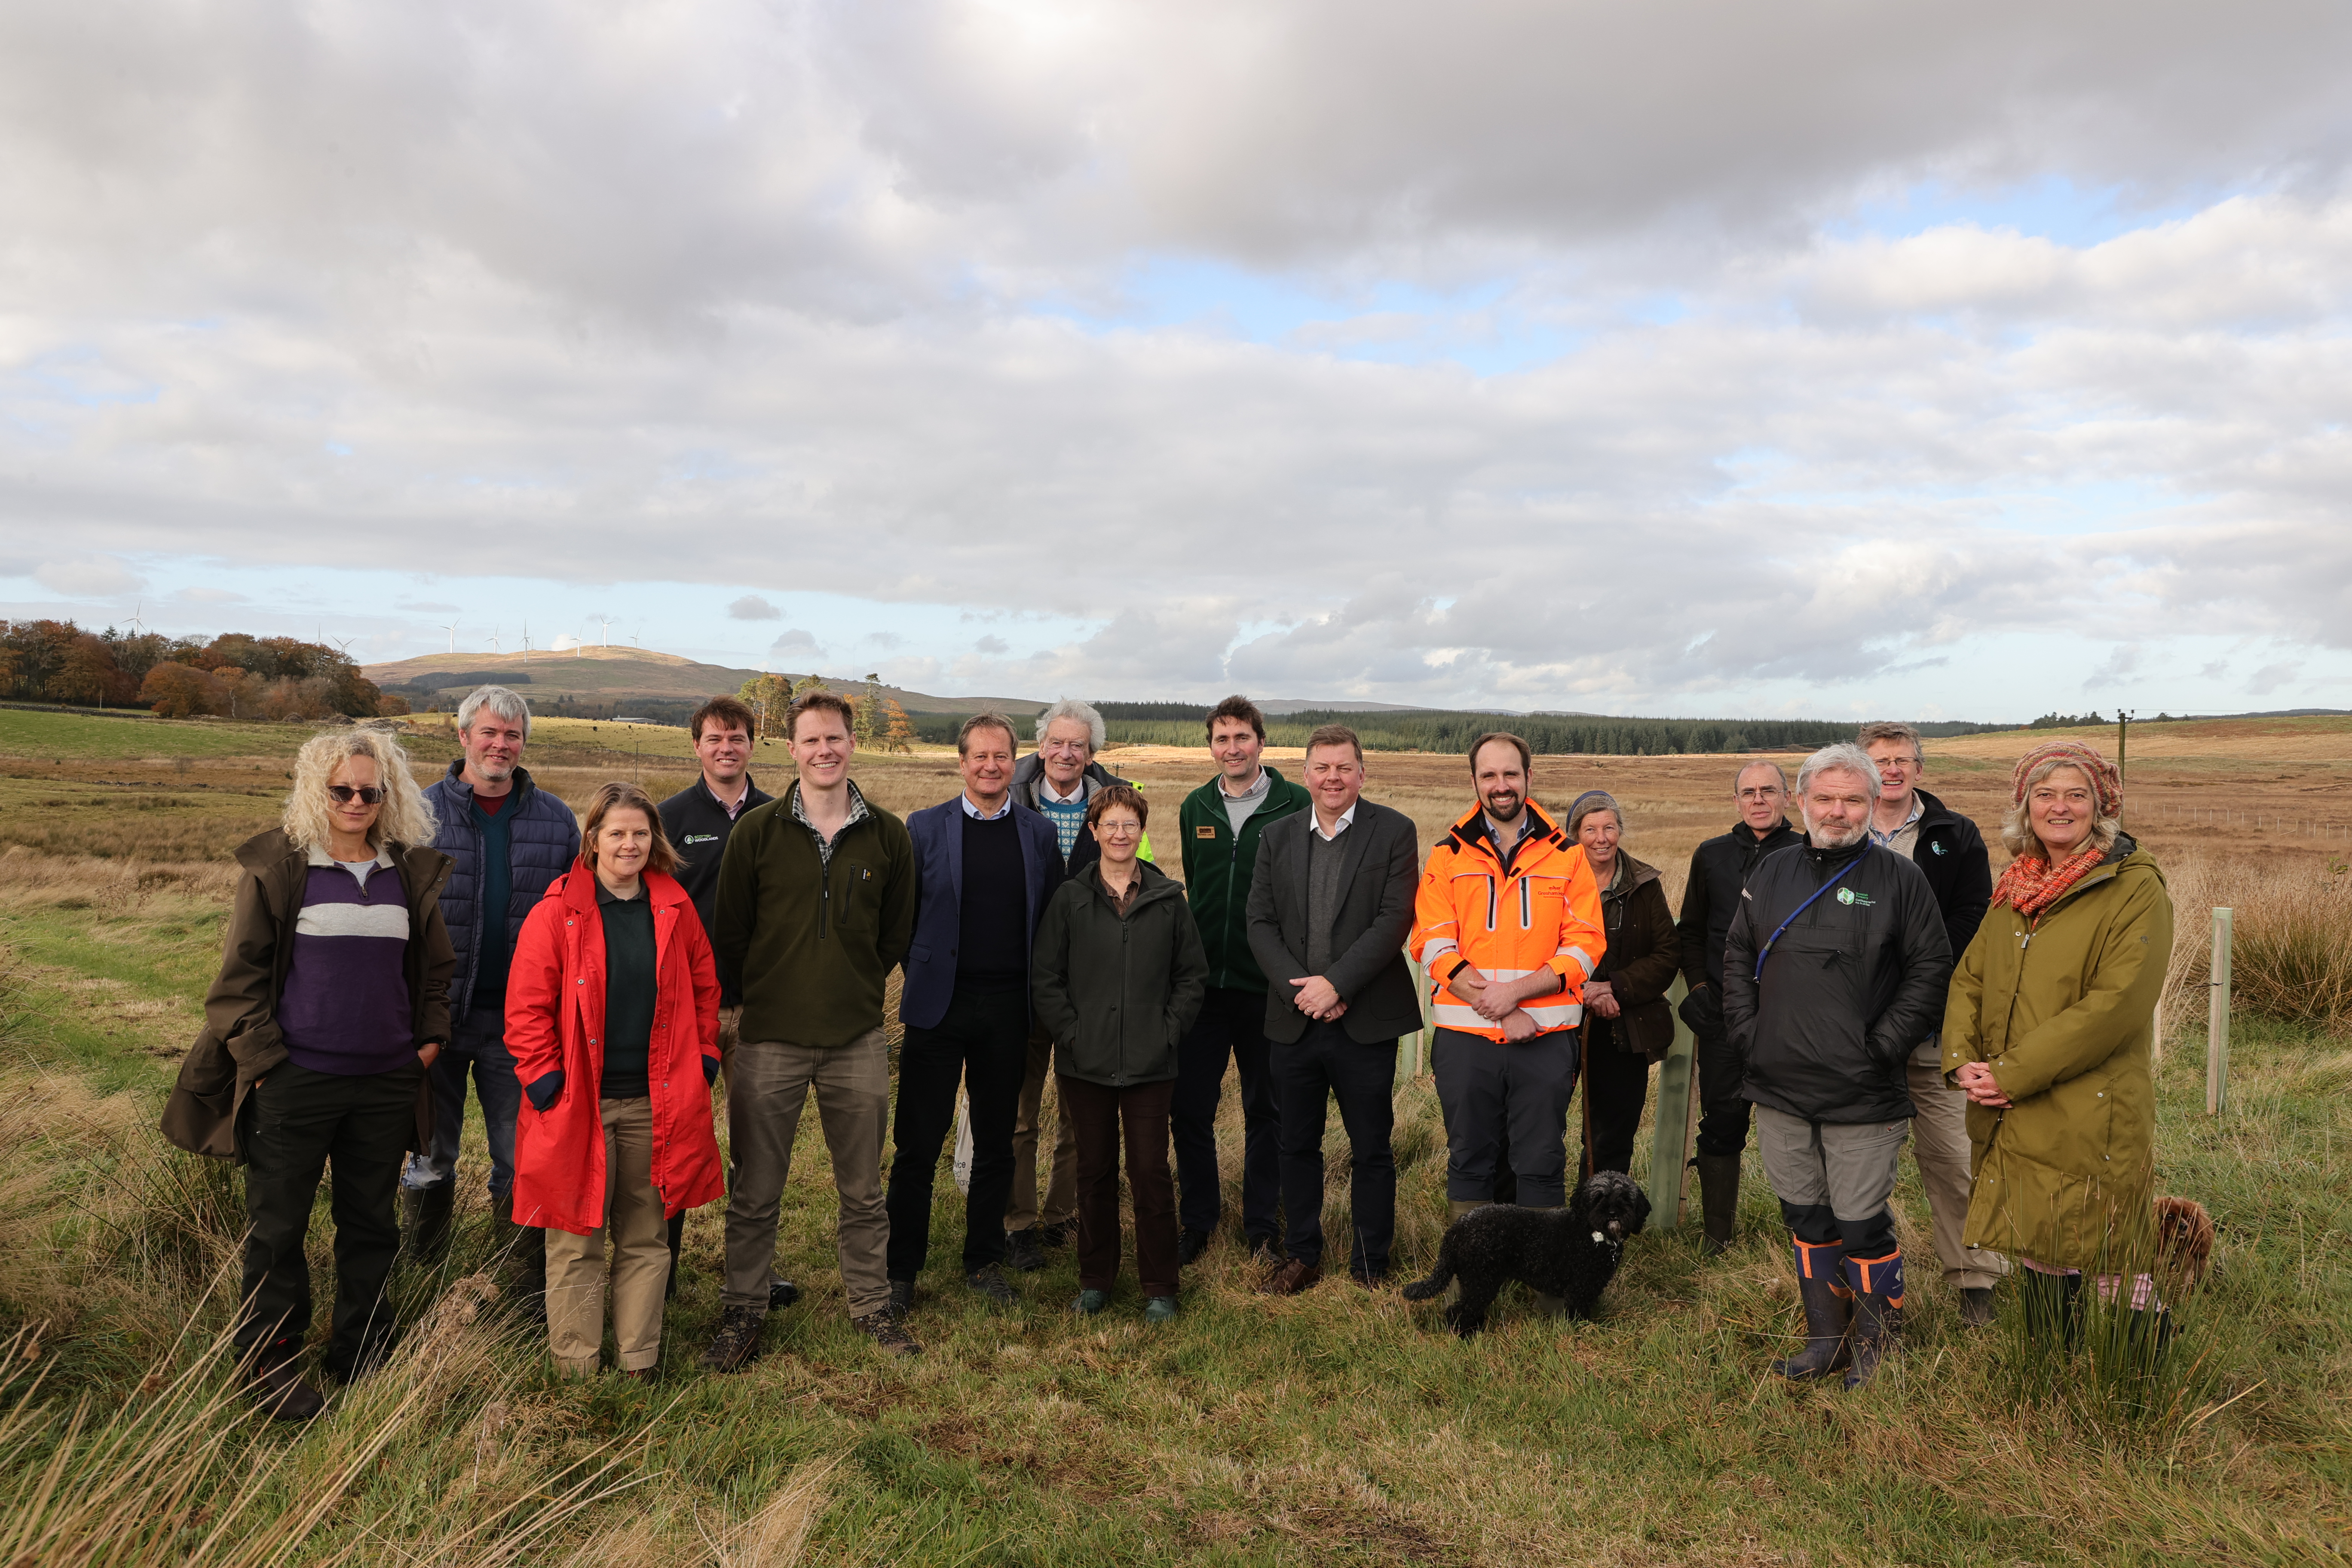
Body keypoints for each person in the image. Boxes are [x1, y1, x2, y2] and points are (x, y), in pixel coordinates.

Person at [162, 729, 452, 1421]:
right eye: (340, 789)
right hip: (296, 1083)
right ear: (315, 790)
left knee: (371, 1225)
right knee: (278, 1230)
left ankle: (362, 1355)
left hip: (384, 1085)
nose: (355, 801)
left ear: (388, 796)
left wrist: (427, 1044)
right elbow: (238, 985)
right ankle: (268, 1368)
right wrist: (268, 1068)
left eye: (369, 791)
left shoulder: (406, 871)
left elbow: (435, 971)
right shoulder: (281, 868)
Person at [1723, 743, 1952, 1389]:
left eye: (1853, 799)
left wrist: (1881, 1047)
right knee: (1806, 1216)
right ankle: (1826, 1341)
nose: (1837, 811)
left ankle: (1880, 1350)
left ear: (1873, 803)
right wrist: (1749, 1036)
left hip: (1863, 1090)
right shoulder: (1771, 871)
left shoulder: (1902, 880)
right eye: (1824, 798)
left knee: (1861, 1222)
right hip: (1780, 1085)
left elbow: (1932, 970)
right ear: (1801, 801)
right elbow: (1737, 956)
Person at [704, 690, 919, 1369]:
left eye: (835, 739)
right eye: (812, 740)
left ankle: (872, 1307)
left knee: (863, 1189)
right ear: (792, 749)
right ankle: (744, 1310)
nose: (825, 751)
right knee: (755, 1187)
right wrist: (770, 997)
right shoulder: (756, 833)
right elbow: (731, 933)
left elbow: (895, 934)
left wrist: (849, 987)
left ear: (852, 745)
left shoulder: (889, 836)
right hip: (769, 1040)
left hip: (857, 1039)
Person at [1943, 741, 2174, 1352]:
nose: (2060, 807)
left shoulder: (2133, 885)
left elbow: (2116, 1005)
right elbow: (1970, 978)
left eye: (2077, 794)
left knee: (2108, 1246)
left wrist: (2011, 1073)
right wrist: (1963, 1061)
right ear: (2026, 806)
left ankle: (2137, 1376)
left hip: (2090, 1100)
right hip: (2015, 1095)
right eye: (2044, 794)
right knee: (2040, 1231)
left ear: (2102, 807)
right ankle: (2051, 1369)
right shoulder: (2018, 885)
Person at [509, 782, 724, 1379]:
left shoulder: (675, 907)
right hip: (578, 1103)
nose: (630, 844)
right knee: (575, 1237)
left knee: (646, 1236)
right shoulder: (557, 912)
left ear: (655, 840)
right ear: (593, 839)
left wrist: (705, 1058)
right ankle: (576, 1365)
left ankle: (638, 1360)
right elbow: (526, 1009)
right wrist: (545, 1082)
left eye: (640, 833)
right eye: (617, 833)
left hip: (657, 1104)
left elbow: (705, 989)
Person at [1411, 732, 1605, 1317]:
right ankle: (1473, 1289)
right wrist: (1496, 1006)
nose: (1501, 786)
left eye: (1511, 775)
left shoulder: (1567, 855)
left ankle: (1549, 1293)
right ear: (1474, 781)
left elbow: (1585, 945)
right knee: (1470, 1156)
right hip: (1466, 1040)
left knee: (1541, 1158)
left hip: (1544, 1040)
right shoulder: (1447, 856)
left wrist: (1517, 997)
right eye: (1489, 776)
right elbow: (1432, 944)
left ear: (1528, 777)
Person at [403, 686, 581, 1317]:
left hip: (521, 1027)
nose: (500, 745)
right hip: (436, 1021)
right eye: (489, 732)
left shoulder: (556, 821)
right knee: (429, 1156)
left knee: (520, 1159)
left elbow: (576, 921)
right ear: (463, 737)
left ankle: (518, 1288)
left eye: (512, 735)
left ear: (523, 743)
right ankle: (421, 1276)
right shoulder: (418, 814)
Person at [885, 714, 1062, 1313]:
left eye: (1001, 756)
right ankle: (901, 1270)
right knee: (918, 1144)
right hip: (939, 1007)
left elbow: (1049, 919)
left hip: (1009, 1010)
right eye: (979, 756)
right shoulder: (924, 827)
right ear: (961, 762)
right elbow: (903, 918)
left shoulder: (1038, 834)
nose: (990, 766)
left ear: (1016, 762)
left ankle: (984, 1261)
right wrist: (928, 972)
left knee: (996, 1142)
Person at [1243, 724, 1420, 1292]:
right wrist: (1305, 993)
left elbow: (1394, 920)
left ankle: (1370, 1264)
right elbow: (1259, 923)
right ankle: (1303, 1255)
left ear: (1362, 774)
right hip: (1295, 1021)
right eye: (1322, 768)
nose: (1333, 778)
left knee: (1372, 1148)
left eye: (1344, 767)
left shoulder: (1394, 831)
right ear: (1306, 775)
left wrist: (1337, 986)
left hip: (1364, 1022)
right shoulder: (1276, 837)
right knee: (1296, 1144)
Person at [1031, 786, 1207, 1322]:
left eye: (1130, 824)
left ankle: (1160, 1286)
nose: (1120, 834)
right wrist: (1073, 1034)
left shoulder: (1168, 899)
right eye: (1109, 824)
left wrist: (1168, 1032)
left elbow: (1191, 976)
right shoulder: (1070, 899)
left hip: (1152, 1064)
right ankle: (1095, 1281)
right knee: (1094, 1172)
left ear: (1142, 831)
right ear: (1093, 832)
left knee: (1150, 1173)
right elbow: (1046, 977)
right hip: (1085, 1063)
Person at [1857, 720, 2005, 1326]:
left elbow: (1974, 915)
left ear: (1920, 768)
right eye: (1880, 761)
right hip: (1858, 1033)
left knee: (1953, 1159)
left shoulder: (1955, 834)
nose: (1892, 770)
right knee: (1858, 1164)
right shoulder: (1836, 830)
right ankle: (1863, 1282)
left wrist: (1918, 968)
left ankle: (1977, 1282)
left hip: (1935, 1028)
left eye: (1902, 760)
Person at [1001, 698, 1151, 1270]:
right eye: (1057, 743)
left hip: (1091, 990)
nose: (1066, 753)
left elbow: (1141, 876)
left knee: (1078, 1115)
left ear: (1092, 754)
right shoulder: (1010, 796)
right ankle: (1016, 1224)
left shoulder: (1117, 803)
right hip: (1022, 986)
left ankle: (1063, 1215)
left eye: (1078, 745)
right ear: (1041, 747)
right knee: (1019, 1115)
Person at [655, 695, 791, 1306]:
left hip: (761, 1008)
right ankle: (659, 1272)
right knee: (675, 1140)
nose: (726, 748)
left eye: (737, 738)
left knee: (756, 1148)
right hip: (686, 1010)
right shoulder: (669, 818)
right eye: (714, 739)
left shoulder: (781, 815)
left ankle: (752, 1274)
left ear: (752, 744)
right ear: (697, 747)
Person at [1173, 695, 1310, 1267]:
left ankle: (1261, 1229)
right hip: (1203, 988)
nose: (1232, 749)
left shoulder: (1296, 803)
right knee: (1190, 1110)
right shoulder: (1196, 806)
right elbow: (1197, 889)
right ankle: (1197, 1223)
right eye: (1221, 739)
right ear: (1211, 746)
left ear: (1261, 742)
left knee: (1267, 1112)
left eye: (1242, 738)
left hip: (1270, 987)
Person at [1674, 760, 1804, 1254]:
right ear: (1735, 801)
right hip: (1723, 1017)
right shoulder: (1712, 856)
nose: (1758, 800)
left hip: (1789, 1019)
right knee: (1722, 1122)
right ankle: (1717, 1237)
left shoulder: (1807, 854)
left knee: (1794, 1126)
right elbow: (1691, 931)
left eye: (1769, 790)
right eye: (1748, 792)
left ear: (1788, 798)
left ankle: (1805, 1235)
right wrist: (1699, 989)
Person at [1565, 791, 1681, 1179]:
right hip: (1558, 1020)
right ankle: (1538, 1210)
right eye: (1590, 829)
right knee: (1541, 1123)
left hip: (1624, 1024)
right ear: (1575, 835)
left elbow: (1667, 954)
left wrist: (1614, 987)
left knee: (1612, 1135)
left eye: (1610, 828)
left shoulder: (1644, 885)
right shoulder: (1553, 882)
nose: (1601, 838)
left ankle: (1600, 1213)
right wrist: (1582, 991)